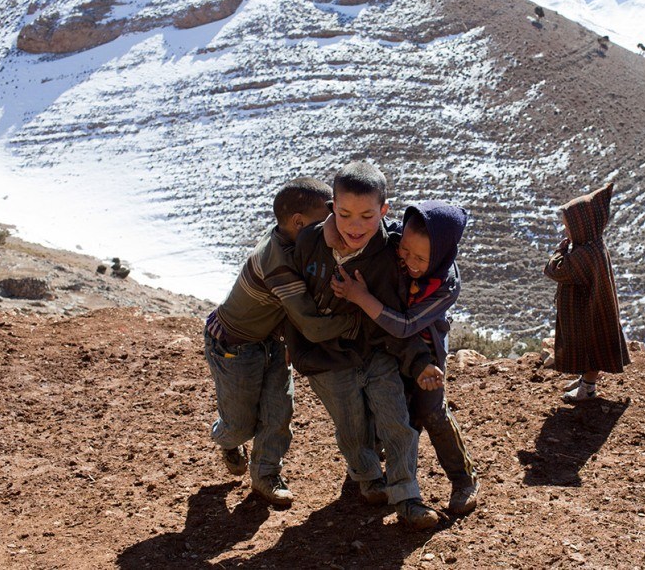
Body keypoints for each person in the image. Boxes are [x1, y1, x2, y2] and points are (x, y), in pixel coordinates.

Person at [288, 161, 444, 530]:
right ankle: (368, 478)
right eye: (344, 215)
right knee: (352, 425)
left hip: (377, 352)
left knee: (396, 421)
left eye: (367, 216)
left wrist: (419, 359)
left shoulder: (390, 254)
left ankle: (408, 496)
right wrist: (295, 349)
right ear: (332, 209)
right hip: (325, 357)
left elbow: (397, 314)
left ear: (384, 212)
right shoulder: (310, 242)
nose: (355, 226)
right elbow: (290, 298)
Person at [204, 177, 358, 507]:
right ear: (298, 223)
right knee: (241, 425)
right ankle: (226, 439)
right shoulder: (278, 263)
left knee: (279, 412)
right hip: (234, 346)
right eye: (327, 218)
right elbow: (314, 328)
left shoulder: (293, 240)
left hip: (271, 342)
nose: (336, 225)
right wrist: (361, 318)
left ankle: (265, 475)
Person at [329, 200, 480, 515]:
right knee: (387, 409)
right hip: (385, 346)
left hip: (426, 351)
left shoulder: (446, 285)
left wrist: (361, 297)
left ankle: (463, 479)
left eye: (421, 258)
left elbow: (407, 325)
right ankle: (368, 474)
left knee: (431, 413)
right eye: (406, 252)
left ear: (439, 256)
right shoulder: (395, 240)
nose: (410, 261)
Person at [543, 183, 629, 403]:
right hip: (590, 311)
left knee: (590, 348)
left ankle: (587, 389)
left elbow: (554, 270)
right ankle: (585, 381)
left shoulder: (585, 254)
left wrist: (559, 251)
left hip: (588, 315)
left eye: (569, 228)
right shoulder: (593, 246)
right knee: (589, 346)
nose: (566, 233)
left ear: (583, 226)